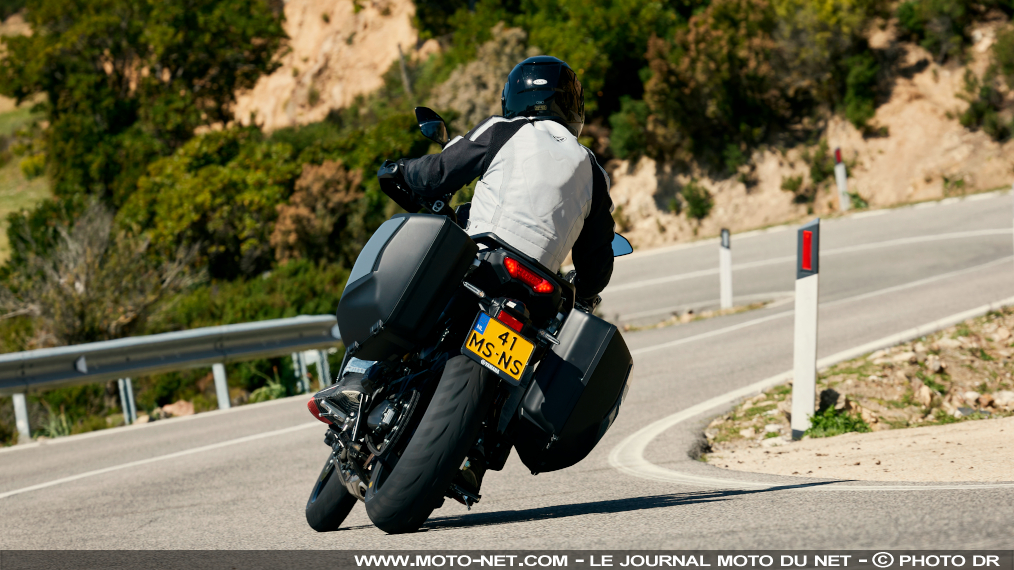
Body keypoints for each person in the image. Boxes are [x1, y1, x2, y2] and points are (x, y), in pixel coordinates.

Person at [393, 55, 615, 308]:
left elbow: (437, 174)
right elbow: (597, 256)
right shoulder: (594, 170)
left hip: (483, 267)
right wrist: (584, 292)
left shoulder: (502, 130)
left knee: (416, 303)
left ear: (513, 97)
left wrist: (401, 169)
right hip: (541, 294)